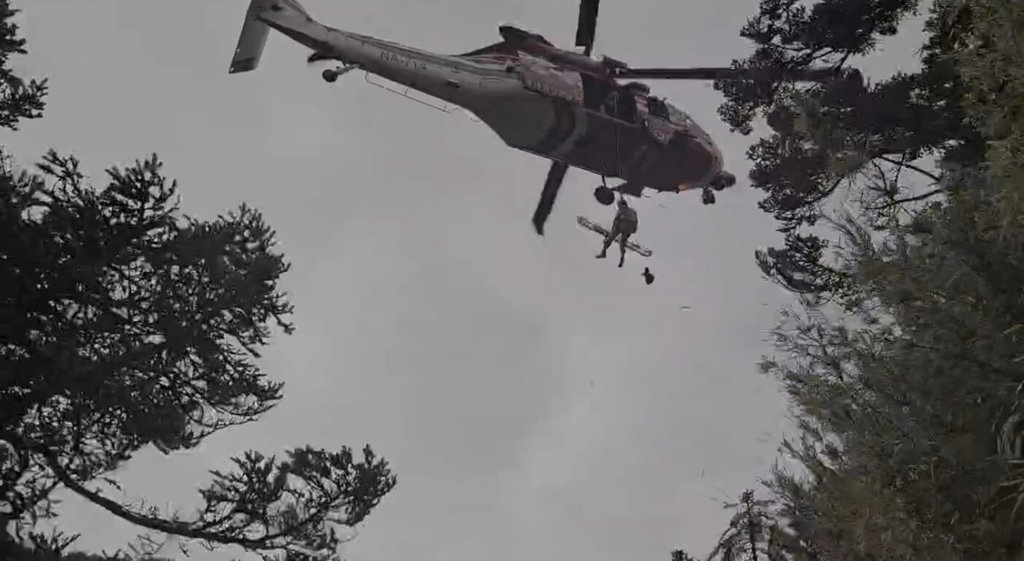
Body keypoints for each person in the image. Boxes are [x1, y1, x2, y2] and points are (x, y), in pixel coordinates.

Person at [596, 197, 638, 267]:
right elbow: (636, 222)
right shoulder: (633, 211)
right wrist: (633, 229)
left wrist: (612, 231)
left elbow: (616, 220)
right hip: (629, 228)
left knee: (609, 240)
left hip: (621, 226)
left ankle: (603, 253)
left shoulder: (621, 210)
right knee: (622, 244)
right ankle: (622, 258)